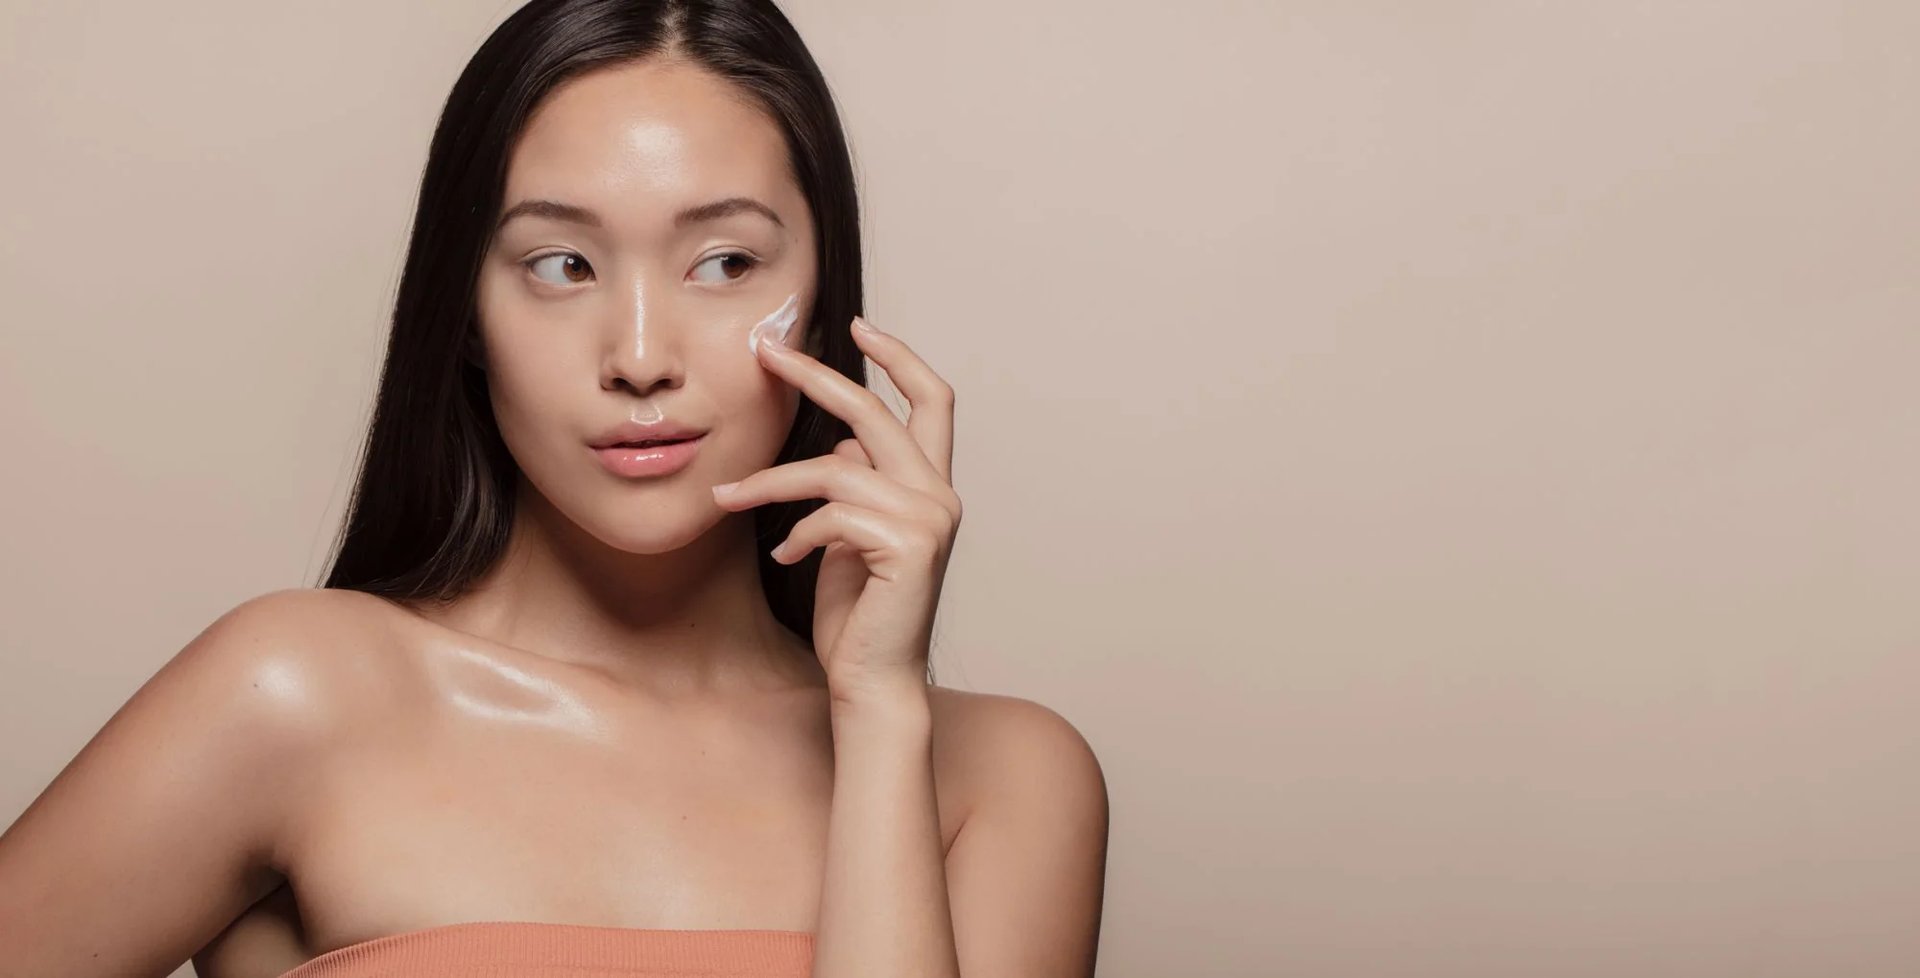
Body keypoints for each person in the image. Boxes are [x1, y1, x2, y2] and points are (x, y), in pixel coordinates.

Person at [0, 1, 1110, 975]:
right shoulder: (291, 698)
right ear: (467, 316)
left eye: (725, 263)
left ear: (824, 308)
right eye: (561, 265)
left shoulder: (1002, 783)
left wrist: (878, 714)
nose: (640, 356)